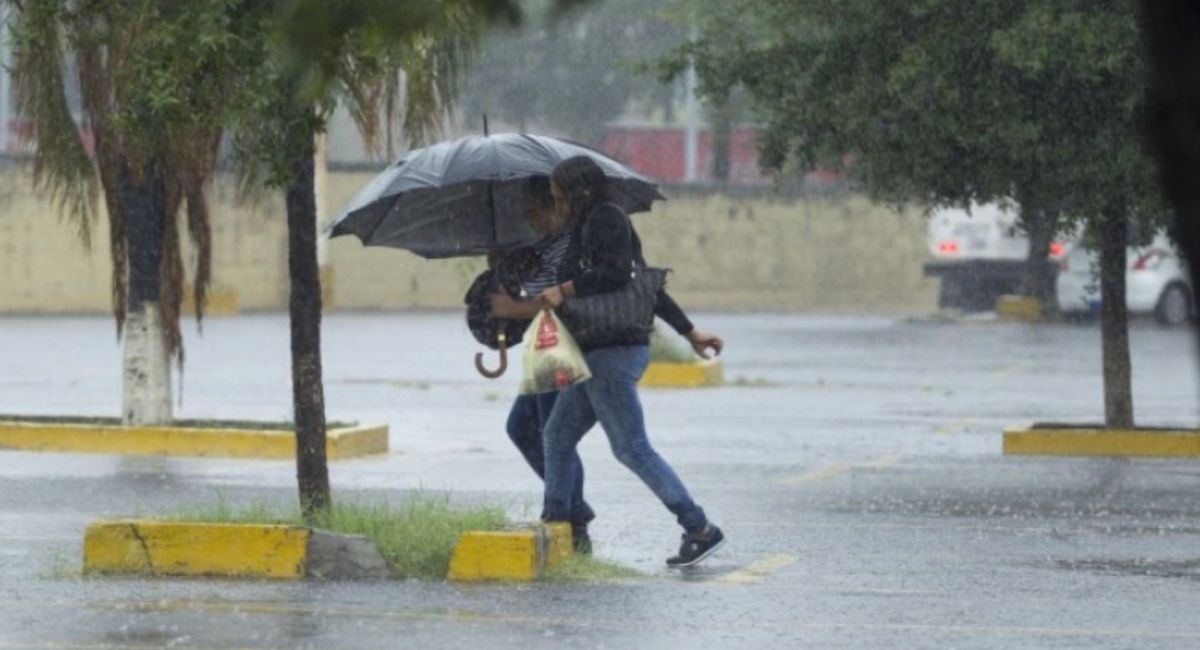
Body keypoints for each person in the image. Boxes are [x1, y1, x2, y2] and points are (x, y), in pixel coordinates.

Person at [492, 175, 719, 555]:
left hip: (614, 353)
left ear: (577, 191)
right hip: (594, 352)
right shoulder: (584, 229)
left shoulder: (606, 219)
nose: (557, 203)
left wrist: (563, 290)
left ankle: (699, 527)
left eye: (560, 194)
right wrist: (691, 333)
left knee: (631, 448)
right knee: (556, 436)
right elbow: (647, 288)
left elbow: (618, 275)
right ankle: (559, 524)